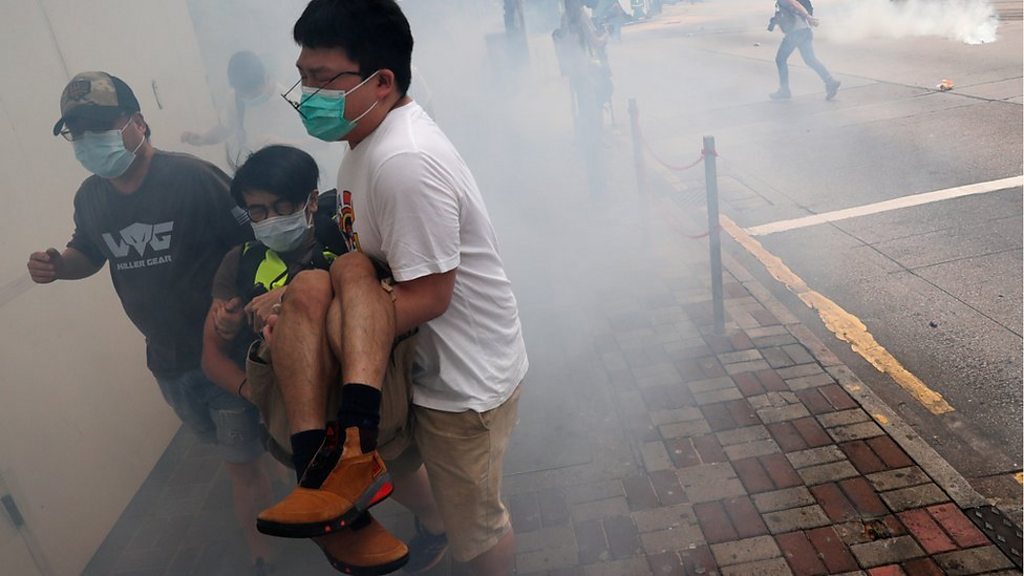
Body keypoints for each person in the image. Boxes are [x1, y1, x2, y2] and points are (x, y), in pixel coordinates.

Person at [258, 1, 530, 574]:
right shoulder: (365, 144)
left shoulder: (403, 161)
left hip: (461, 382)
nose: (307, 94)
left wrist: (325, 335)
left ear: (381, 81)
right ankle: (336, 485)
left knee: (477, 530)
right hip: (413, 366)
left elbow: (431, 296)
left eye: (321, 79)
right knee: (316, 285)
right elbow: (375, 266)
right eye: (302, 77)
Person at [27, 72, 275, 574]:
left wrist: (237, 300)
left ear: (138, 123)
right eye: (77, 132)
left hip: (224, 354)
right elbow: (89, 252)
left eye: (101, 125)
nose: (89, 140)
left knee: (241, 464)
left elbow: (254, 242)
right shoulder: (91, 198)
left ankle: (264, 558)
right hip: (167, 363)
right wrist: (59, 265)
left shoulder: (192, 178)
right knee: (239, 453)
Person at [201, 144, 415, 574]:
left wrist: (291, 292)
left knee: (341, 273)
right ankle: (319, 481)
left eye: (282, 207)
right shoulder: (240, 263)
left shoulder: (347, 236)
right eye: (257, 212)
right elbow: (210, 354)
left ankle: (348, 465)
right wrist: (248, 382)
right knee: (316, 284)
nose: (269, 220)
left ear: (312, 201)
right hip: (296, 405)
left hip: (363, 386)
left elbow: (394, 289)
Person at [180, 50, 340, 185]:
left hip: (287, 176)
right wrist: (202, 139)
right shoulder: (236, 99)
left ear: (266, 77)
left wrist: (283, 144)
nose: (249, 98)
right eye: (244, 94)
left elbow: (323, 142)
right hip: (255, 177)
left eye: (254, 92)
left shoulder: (290, 101)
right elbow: (225, 128)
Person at [769, 0, 841, 101]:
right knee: (810, 59)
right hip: (805, 31)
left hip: (795, 33)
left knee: (780, 59)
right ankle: (830, 81)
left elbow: (795, 3)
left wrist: (808, 16)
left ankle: (784, 90)